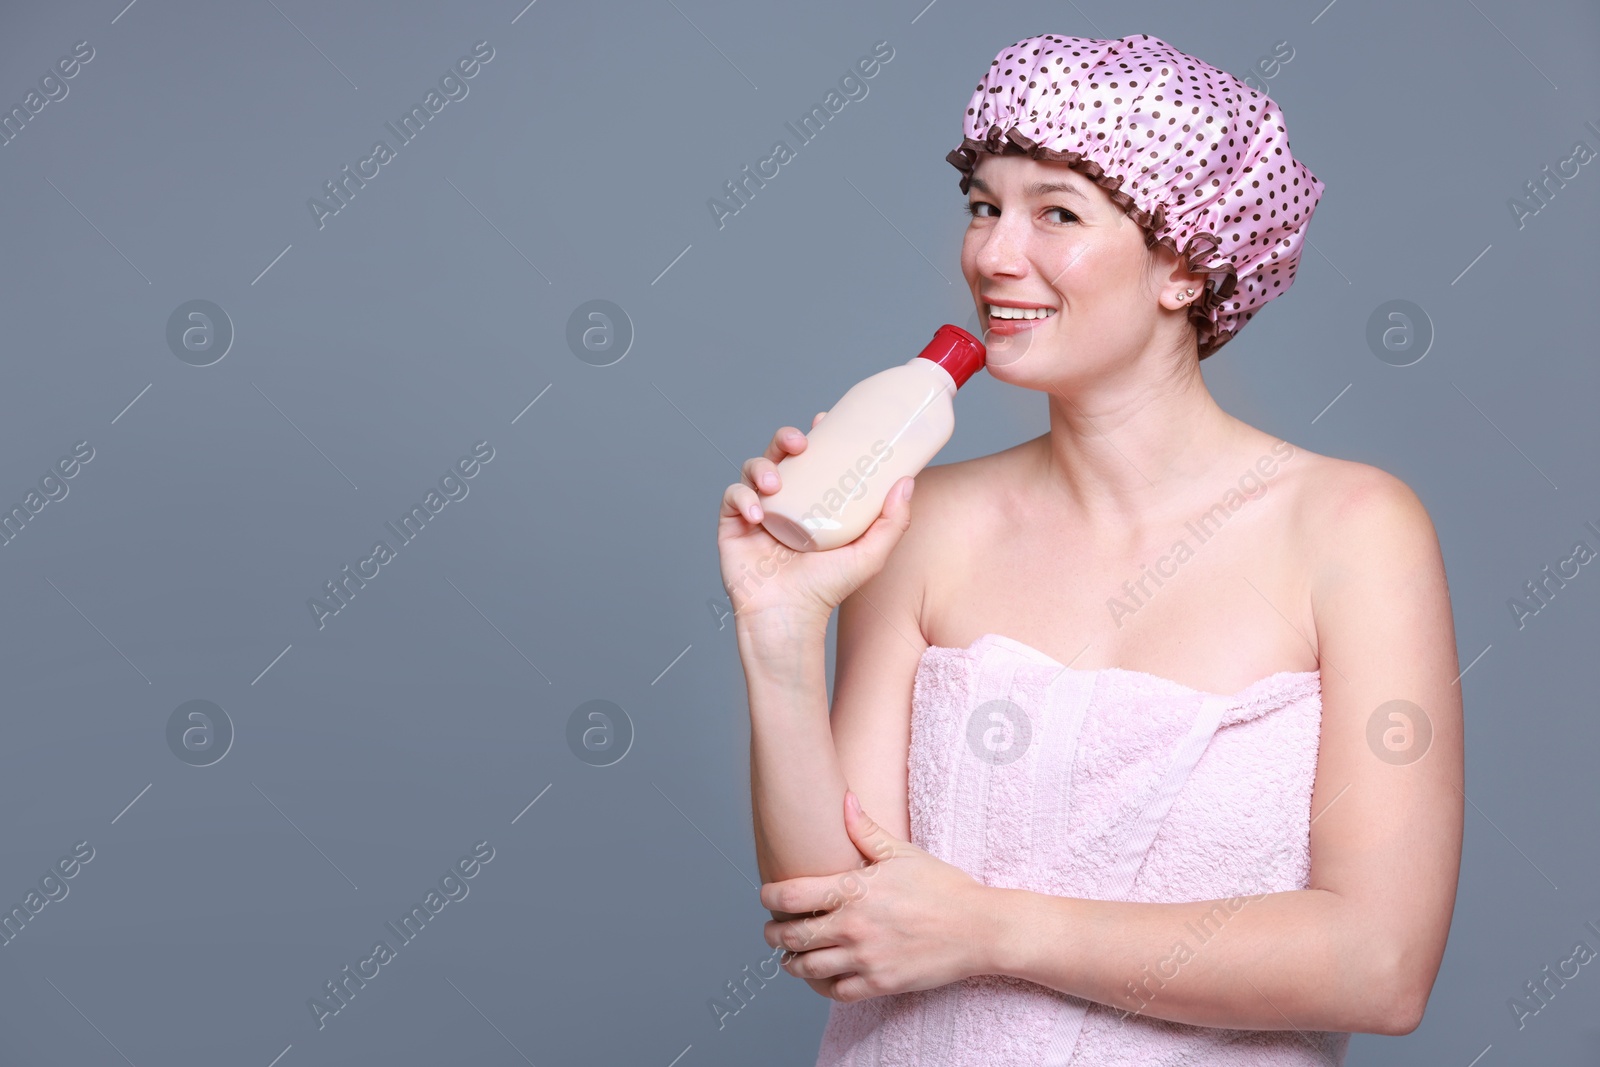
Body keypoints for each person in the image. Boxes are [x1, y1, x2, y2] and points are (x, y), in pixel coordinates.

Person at [716, 32, 1462, 1066]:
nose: (990, 254)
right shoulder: (923, 521)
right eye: (983, 206)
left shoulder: (1350, 530)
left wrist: (991, 927)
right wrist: (779, 626)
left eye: (1055, 212)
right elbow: (835, 926)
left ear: (1187, 265)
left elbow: (1378, 964)